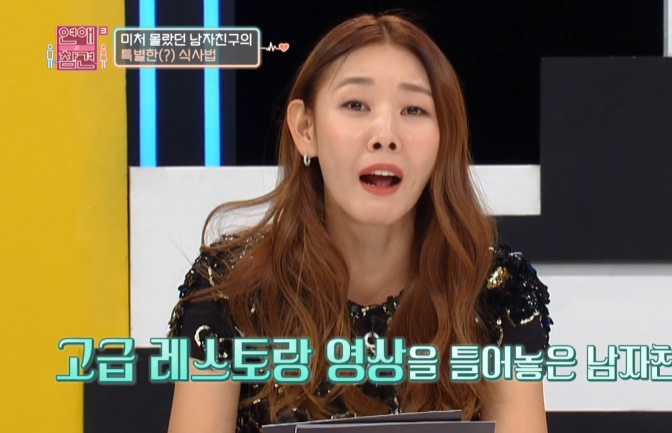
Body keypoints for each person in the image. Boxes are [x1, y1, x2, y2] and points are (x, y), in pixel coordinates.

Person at [167, 12, 552, 433]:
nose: (385, 135)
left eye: (414, 109)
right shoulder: (230, 289)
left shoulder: (494, 291)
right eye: (356, 105)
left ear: (444, 139)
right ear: (305, 129)